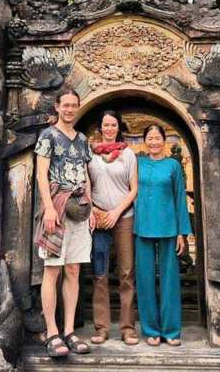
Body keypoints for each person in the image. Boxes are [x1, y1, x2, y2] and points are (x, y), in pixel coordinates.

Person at [33, 88, 95, 358]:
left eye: (74, 105)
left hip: (79, 209)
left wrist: (91, 207)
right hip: (56, 209)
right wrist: (47, 206)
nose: (70, 109)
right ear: (57, 107)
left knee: (73, 271)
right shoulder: (48, 136)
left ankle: (69, 330)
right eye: (66, 105)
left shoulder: (82, 140)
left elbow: (86, 174)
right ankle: (52, 331)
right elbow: (41, 174)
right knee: (52, 270)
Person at [134, 123, 192, 347]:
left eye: (158, 137)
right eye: (150, 137)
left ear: (164, 140)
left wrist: (182, 233)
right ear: (145, 140)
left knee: (170, 281)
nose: (154, 141)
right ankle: (151, 330)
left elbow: (180, 198)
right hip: (142, 227)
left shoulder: (173, 165)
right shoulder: (137, 163)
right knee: (145, 279)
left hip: (169, 227)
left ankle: (171, 330)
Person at [87, 110, 139, 346]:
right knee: (100, 273)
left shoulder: (128, 155)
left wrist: (116, 212)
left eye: (113, 125)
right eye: (105, 125)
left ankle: (127, 328)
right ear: (100, 128)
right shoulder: (91, 154)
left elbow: (133, 189)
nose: (109, 129)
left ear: (119, 127)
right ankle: (102, 328)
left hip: (123, 216)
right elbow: (85, 185)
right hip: (98, 218)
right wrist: (94, 211)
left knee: (126, 273)